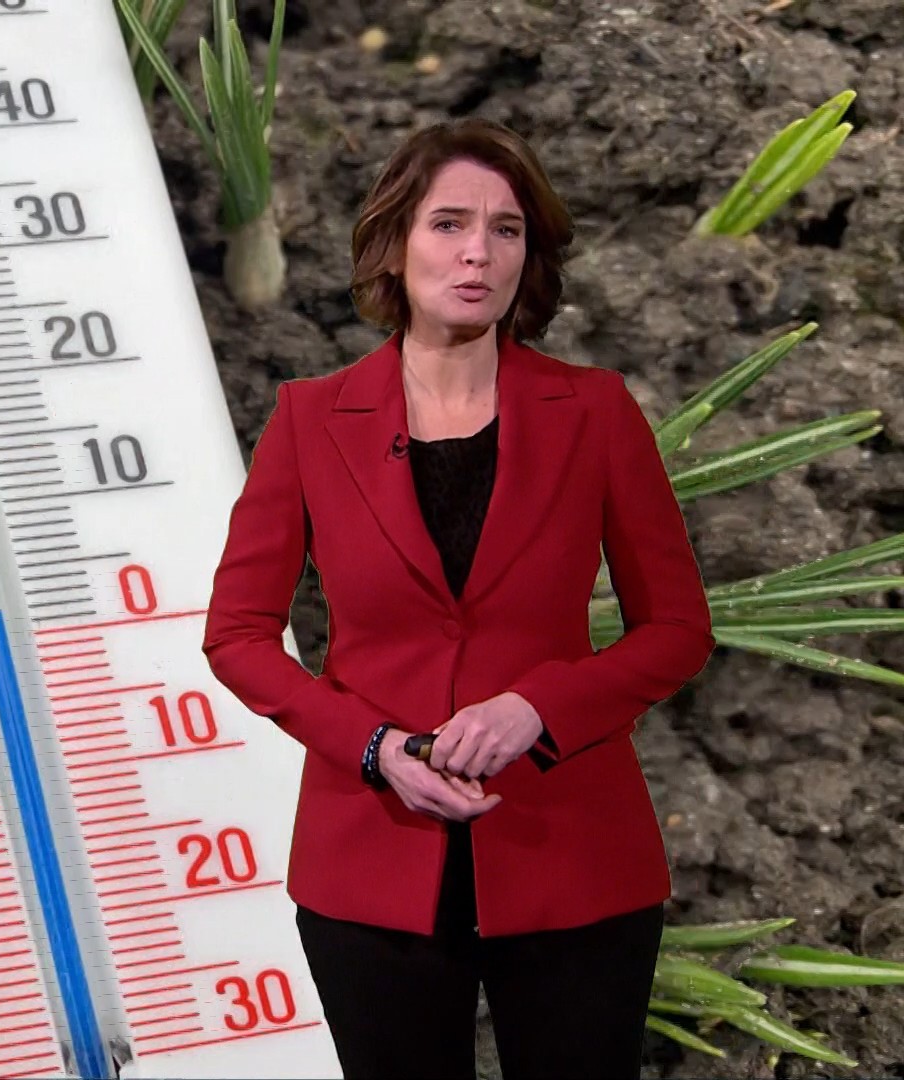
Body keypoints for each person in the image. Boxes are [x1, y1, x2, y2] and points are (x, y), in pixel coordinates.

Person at [201, 117, 718, 1079]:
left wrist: (539, 708)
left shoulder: (597, 411)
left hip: (572, 855)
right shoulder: (310, 421)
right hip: (372, 860)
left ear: (528, 255)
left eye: (506, 229)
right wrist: (373, 747)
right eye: (448, 223)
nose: (478, 251)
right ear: (395, 244)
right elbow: (236, 635)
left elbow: (679, 628)